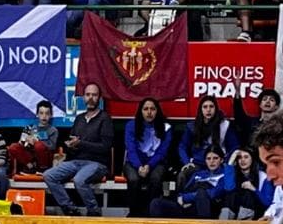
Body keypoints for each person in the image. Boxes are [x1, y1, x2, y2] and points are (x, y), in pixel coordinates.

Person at [44, 83, 111, 215]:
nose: (90, 98)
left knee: (79, 180)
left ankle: (94, 212)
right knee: (49, 175)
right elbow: (74, 145)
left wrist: (80, 143)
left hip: (97, 163)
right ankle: (70, 209)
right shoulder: (79, 119)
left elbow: (105, 147)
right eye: (88, 95)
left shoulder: (105, 119)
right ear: (83, 97)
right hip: (76, 161)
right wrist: (71, 146)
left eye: (94, 95)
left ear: (99, 98)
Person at [150, 145, 232, 217]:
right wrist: (182, 199)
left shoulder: (225, 174)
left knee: (201, 193)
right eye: (208, 158)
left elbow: (213, 194)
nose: (211, 161)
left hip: (209, 207)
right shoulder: (198, 174)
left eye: (215, 158)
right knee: (156, 203)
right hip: (187, 206)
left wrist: (186, 198)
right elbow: (183, 192)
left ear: (221, 160)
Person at [124, 97, 171, 216]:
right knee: (134, 179)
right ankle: (134, 213)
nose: (149, 112)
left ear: (157, 111)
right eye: (145, 109)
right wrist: (139, 166)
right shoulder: (131, 125)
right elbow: (131, 150)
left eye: (152, 109)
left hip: (156, 163)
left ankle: (151, 213)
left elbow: (162, 152)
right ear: (141, 111)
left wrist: (149, 166)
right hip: (134, 163)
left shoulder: (166, 127)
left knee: (156, 178)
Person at [9, 100, 60, 176]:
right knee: (13, 147)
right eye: (41, 113)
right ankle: (30, 168)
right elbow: (21, 143)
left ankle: (42, 169)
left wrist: (37, 140)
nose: (44, 116)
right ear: (37, 114)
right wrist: (25, 141)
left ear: (51, 115)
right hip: (31, 158)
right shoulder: (30, 128)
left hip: (45, 159)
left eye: (47, 113)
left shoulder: (53, 130)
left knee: (38, 145)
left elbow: (52, 147)